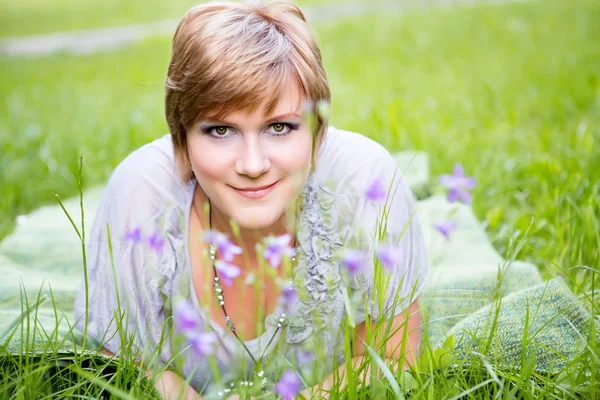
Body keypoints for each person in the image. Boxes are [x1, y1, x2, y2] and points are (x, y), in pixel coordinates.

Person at [74, 0, 428, 398]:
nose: (253, 164)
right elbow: (122, 363)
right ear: (182, 138)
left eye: (279, 126)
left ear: (317, 131)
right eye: (220, 131)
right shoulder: (141, 194)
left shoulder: (365, 182)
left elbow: (394, 356)